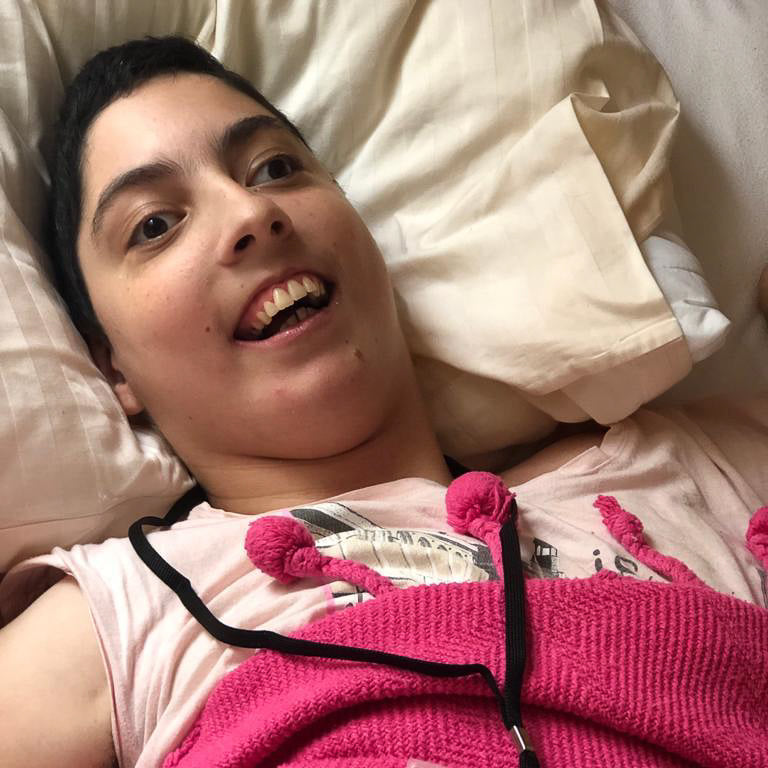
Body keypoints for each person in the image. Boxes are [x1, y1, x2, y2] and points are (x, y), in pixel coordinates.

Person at [0, 36, 765, 768]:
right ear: (114, 368)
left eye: (273, 168)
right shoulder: (128, 612)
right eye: (155, 225)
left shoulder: (685, 472)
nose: (250, 214)